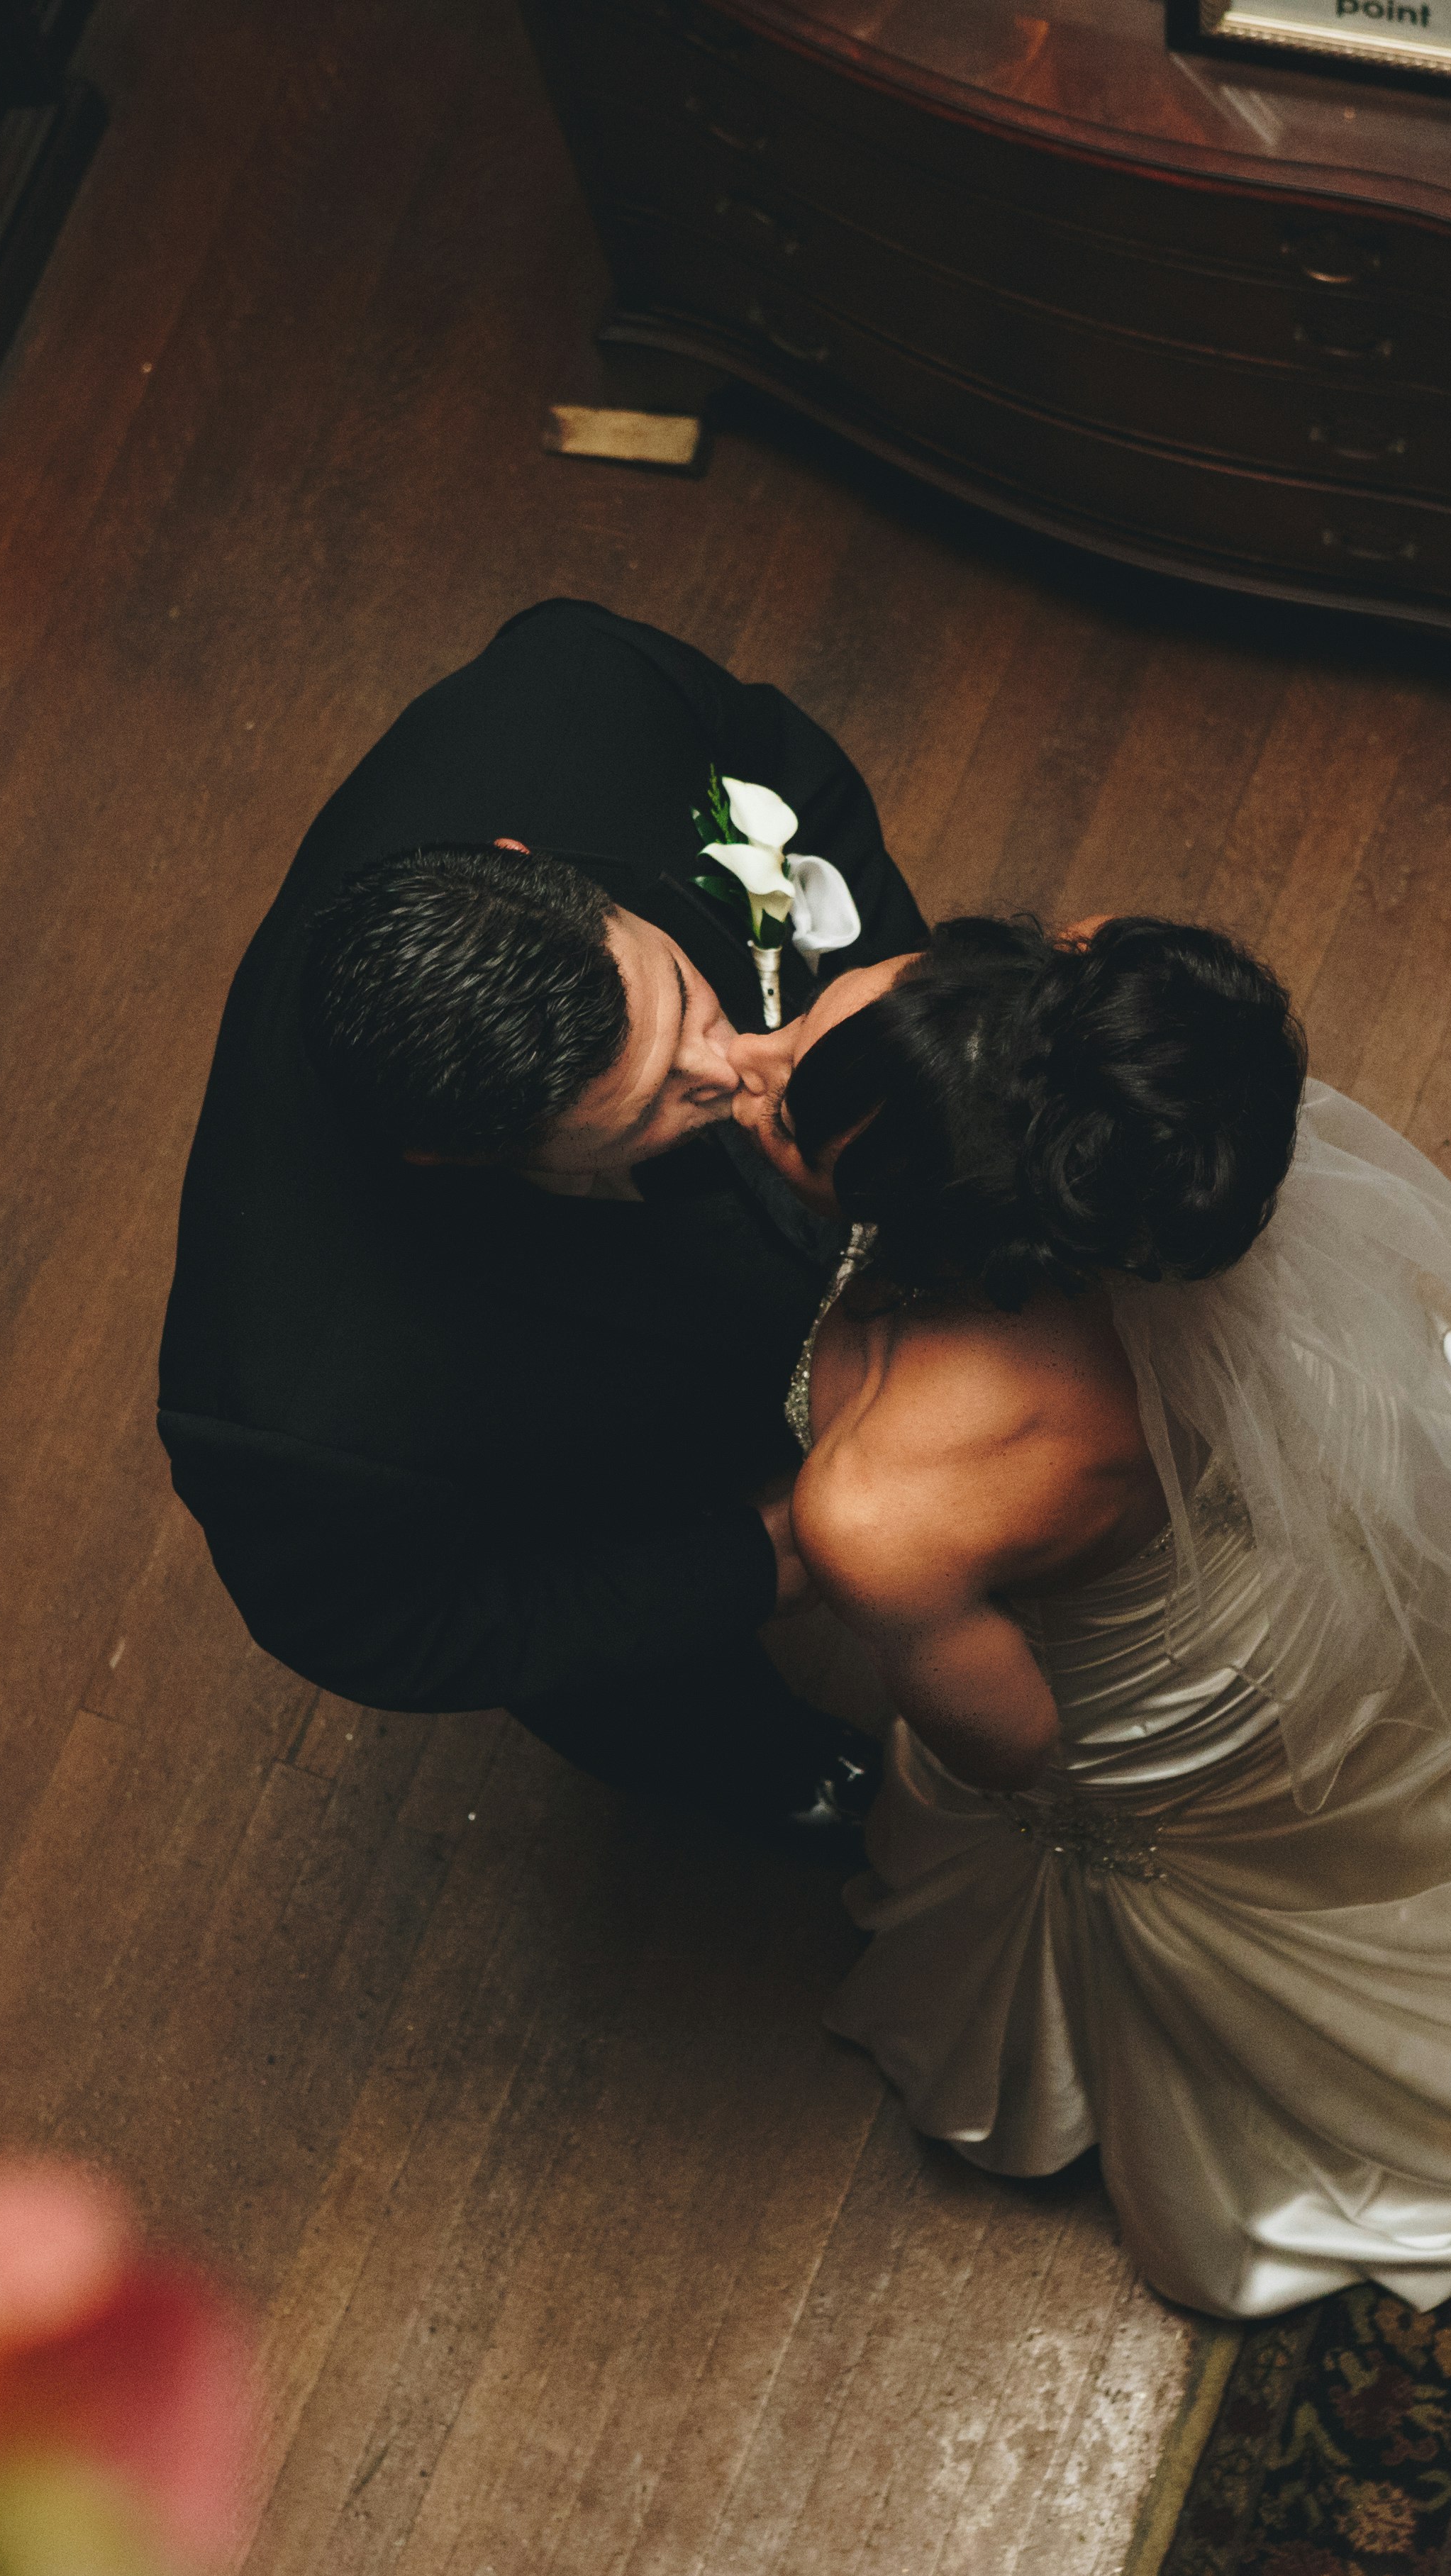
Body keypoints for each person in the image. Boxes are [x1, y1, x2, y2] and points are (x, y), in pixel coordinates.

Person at [742, 916, 1451, 2317]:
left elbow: (1017, 1758)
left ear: (928, 1206)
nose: (754, 1059)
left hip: (1153, 1680)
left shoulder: (881, 1507)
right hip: (1272, 1522)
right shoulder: (1128, 1084)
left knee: (1134, 1855)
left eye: (793, 1107)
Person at [156, 598, 926, 1846]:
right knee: (664, 1704)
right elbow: (407, 1626)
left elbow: (785, 772)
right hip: (594, 1467)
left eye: (681, 1000)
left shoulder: (579, 696)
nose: (737, 1076)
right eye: (648, 1111)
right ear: (459, 1158)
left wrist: (873, 1047)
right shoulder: (293, 1409)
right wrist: (775, 1549)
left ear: (526, 862)